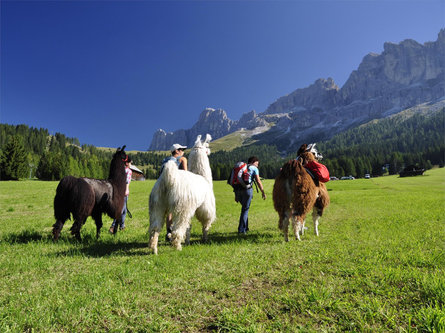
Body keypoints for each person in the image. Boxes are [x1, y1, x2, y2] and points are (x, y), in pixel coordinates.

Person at [161, 143, 188, 241]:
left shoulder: (165, 161)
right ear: (177, 151)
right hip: (177, 189)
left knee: (169, 211)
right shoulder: (182, 159)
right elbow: (185, 175)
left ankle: (169, 232)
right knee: (180, 210)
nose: (183, 152)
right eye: (182, 149)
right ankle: (178, 233)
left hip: (164, 189)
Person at [237, 156, 266, 234]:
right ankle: (241, 230)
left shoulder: (244, 167)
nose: (257, 165)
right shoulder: (254, 168)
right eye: (257, 163)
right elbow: (258, 181)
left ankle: (245, 228)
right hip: (247, 190)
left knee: (244, 210)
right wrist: (263, 192)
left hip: (237, 190)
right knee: (245, 210)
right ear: (253, 162)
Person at [109, 156, 132, 234]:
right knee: (121, 210)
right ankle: (113, 226)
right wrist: (127, 189)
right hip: (124, 192)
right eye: (130, 163)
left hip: (118, 191)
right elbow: (127, 181)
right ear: (127, 163)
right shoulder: (128, 171)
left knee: (124, 210)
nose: (130, 164)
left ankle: (122, 226)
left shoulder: (119, 170)